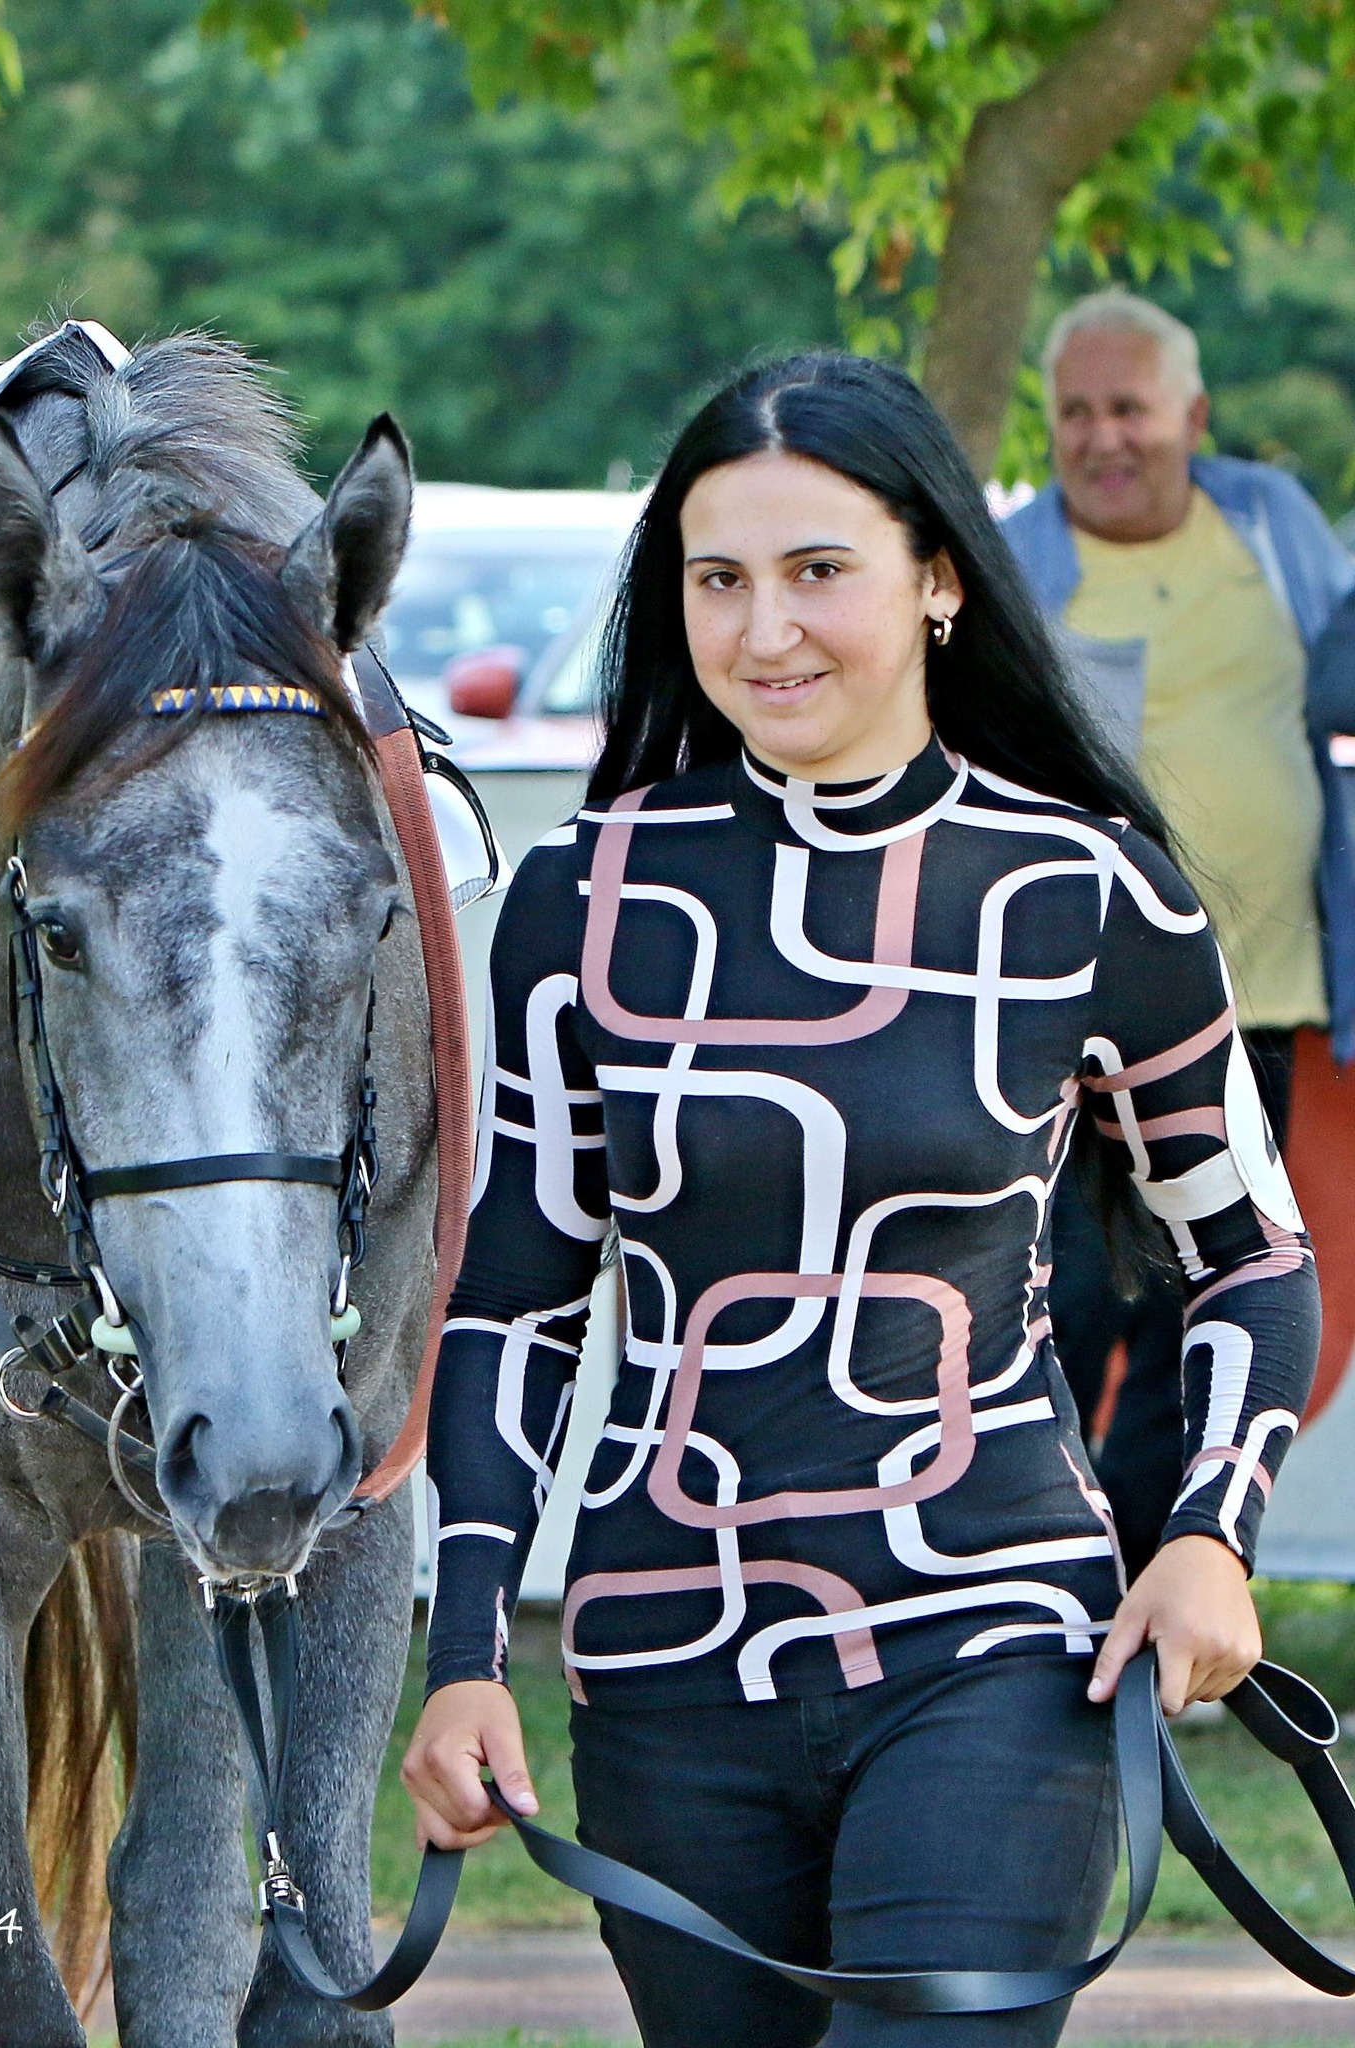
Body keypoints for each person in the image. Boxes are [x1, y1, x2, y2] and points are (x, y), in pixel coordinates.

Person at [401, 353, 1320, 2048]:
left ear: (939, 578)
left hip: (992, 1637)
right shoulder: (581, 899)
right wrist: (465, 1645)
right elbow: (512, 1296)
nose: (764, 632)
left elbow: (1251, 1256)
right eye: (715, 580)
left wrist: (1204, 1532)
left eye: (817, 570)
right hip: (660, 1665)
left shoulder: (1083, 891)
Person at [1002, 291, 1353, 1577]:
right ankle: (1045, 1589)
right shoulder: (1012, 559)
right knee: (1064, 1301)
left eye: (1128, 409)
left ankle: (1157, 1598)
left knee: (1198, 1305)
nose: (1102, 438)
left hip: (1252, 1001)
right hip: (1067, 1007)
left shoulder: (1273, 527)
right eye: (1076, 412)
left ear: (1190, 419)